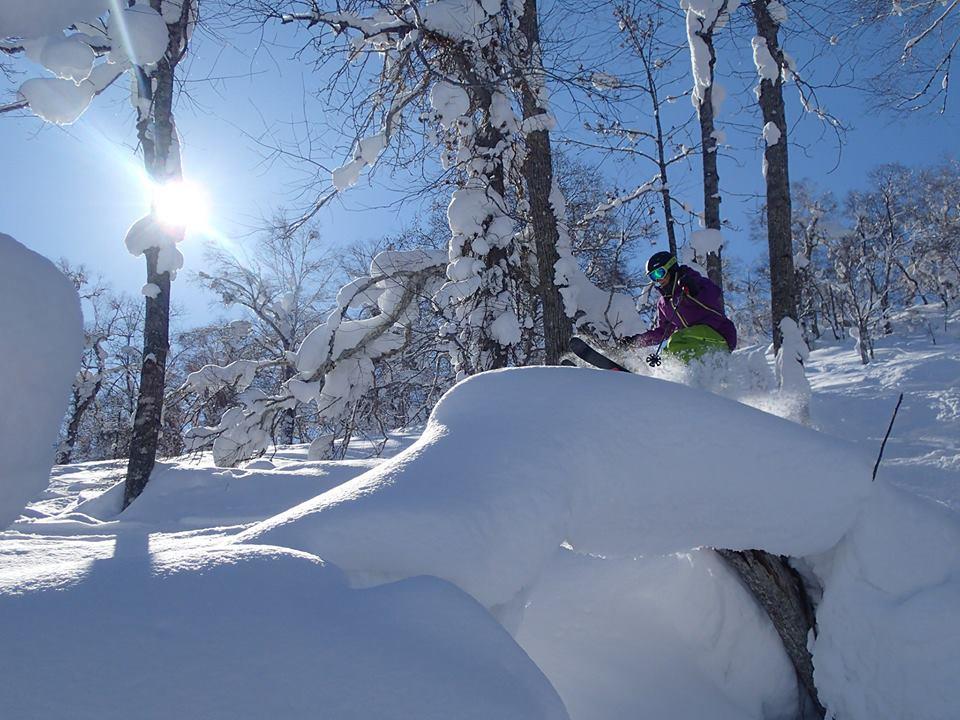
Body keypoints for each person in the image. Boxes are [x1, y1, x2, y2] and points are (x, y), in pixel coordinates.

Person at [630, 251, 737, 365]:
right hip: (696, 341)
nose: (658, 280)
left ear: (670, 267)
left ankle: (681, 374)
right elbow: (663, 331)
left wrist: (695, 290)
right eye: (653, 277)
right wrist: (634, 341)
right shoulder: (664, 303)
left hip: (720, 334)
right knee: (666, 355)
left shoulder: (691, 280)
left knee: (677, 341)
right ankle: (671, 379)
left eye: (659, 273)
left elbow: (714, 293)